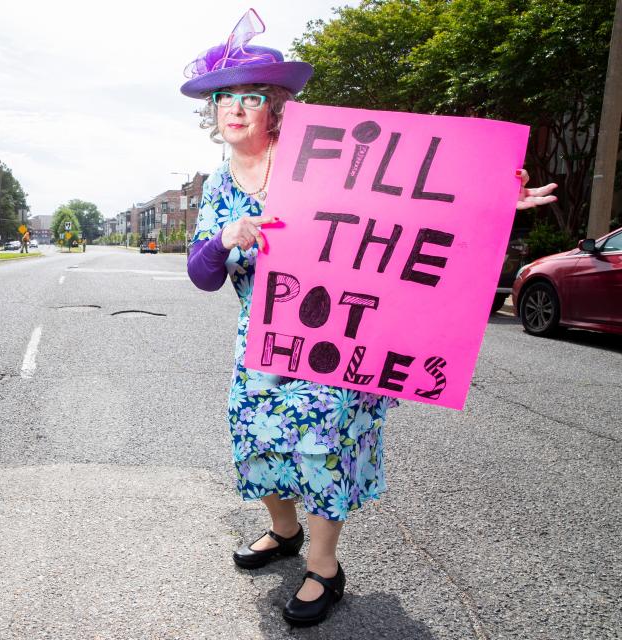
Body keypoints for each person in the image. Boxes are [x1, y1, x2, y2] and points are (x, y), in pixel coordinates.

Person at [181, 9, 557, 628]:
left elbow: (414, 194)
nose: (237, 109)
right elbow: (202, 273)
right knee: (254, 435)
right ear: (212, 112)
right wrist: (226, 236)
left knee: (325, 441)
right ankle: (284, 532)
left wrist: (493, 196)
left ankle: (324, 568)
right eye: (225, 98)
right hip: (264, 334)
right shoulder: (221, 182)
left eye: (253, 97)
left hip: (343, 330)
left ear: (276, 107)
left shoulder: (319, 159)